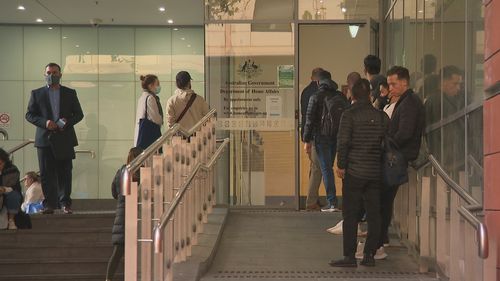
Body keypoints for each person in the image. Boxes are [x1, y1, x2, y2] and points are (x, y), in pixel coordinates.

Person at [330, 79, 389, 268]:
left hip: (354, 172)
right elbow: (386, 144)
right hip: (374, 172)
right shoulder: (381, 117)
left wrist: (341, 165)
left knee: (351, 215)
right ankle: (369, 255)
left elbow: (343, 142)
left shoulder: (349, 115)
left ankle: (349, 256)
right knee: (374, 214)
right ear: (370, 95)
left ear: (352, 95)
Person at [26, 62, 84, 214]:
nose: (52, 75)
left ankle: (65, 203)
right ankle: (49, 204)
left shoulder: (70, 93)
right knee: (46, 173)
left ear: (60, 74)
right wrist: (45, 123)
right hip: (44, 139)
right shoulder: (36, 94)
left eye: (55, 73)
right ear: (44, 75)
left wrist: (66, 122)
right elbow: (30, 115)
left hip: (64, 138)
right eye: (49, 73)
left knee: (65, 172)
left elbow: (79, 114)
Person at [377, 66, 425, 251]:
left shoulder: (409, 103)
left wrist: (386, 143)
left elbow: (404, 133)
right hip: (398, 155)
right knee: (385, 199)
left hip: (397, 157)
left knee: (384, 198)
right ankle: (381, 237)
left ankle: (380, 239)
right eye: (389, 84)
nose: (390, 88)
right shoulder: (406, 101)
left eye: (393, 84)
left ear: (405, 82)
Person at [303, 70, 348, 212]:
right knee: (328, 167)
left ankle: (332, 202)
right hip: (336, 137)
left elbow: (309, 121)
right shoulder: (340, 96)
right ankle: (333, 201)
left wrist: (306, 140)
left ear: (318, 82)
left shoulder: (315, 96)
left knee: (325, 169)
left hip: (321, 138)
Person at [106, 147, 143, 281]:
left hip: (121, 212)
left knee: (118, 251)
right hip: (132, 213)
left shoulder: (121, 171)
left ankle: (108, 278)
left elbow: (113, 192)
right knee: (130, 250)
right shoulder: (139, 174)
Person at [300, 68, 324, 211]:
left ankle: (313, 196)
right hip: (315, 135)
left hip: (307, 134)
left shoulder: (305, 92)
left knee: (314, 167)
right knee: (317, 168)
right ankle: (311, 201)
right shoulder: (317, 93)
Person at [134, 74, 164, 149]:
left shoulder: (142, 98)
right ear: (150, 86)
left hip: (141, 134)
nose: (158, 87)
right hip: (149, 135)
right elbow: (156, 119)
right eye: (157, 84)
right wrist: (161, 120)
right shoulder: (150, 98)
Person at [0, 148, 23, 230]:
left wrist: (4, 189)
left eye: (1, 163)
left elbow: (14, 186)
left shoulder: (12, 169)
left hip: (10, 192)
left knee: (14, 196)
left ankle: (11, 220)